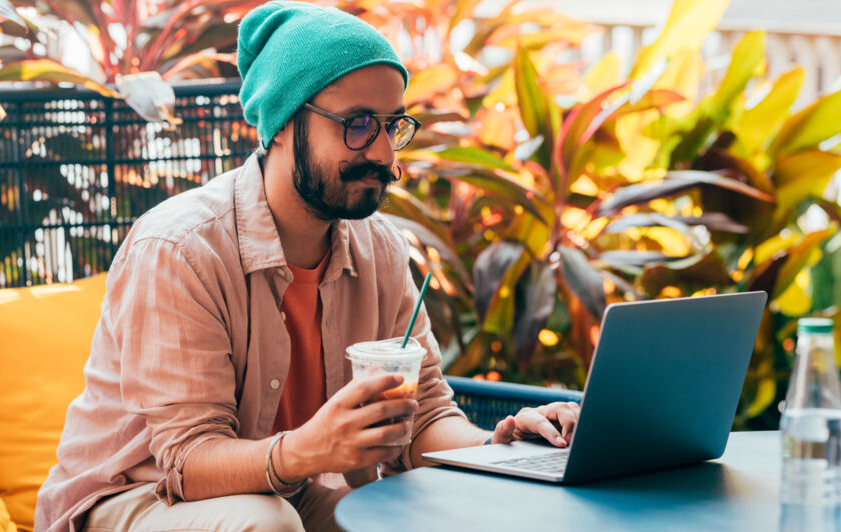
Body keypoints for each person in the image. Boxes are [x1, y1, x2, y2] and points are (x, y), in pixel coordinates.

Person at [34, 2, 580, 531]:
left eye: (393, 125)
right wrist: (309, 449)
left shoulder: (381, 249)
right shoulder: (180, 249)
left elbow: (426, 416)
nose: (387, 155)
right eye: (360, 123)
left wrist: (502, 447)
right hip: (131, 497)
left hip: (282, 492)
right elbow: (187, 460)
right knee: (264, 522)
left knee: (420, 517)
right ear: (282, 124)